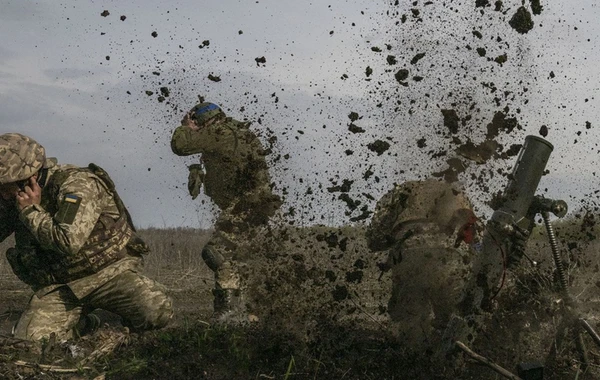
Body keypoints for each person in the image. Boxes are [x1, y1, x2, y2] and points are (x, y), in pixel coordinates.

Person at [0, 133, 173, 341]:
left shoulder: (77, 184)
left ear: (29, 179)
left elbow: (68, 241)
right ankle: (89, 323)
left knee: (157, 311)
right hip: (61, 287)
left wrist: (30, 212)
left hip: (108, 275)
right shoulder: (12, 197)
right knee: (31, 341)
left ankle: (108, 317)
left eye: (4, 187)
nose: (3, 193)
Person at [171, 101, 282, 321]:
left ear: (204, 120)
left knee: (217, 252)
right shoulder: (235, 132)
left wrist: (185, 128)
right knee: (239, 260)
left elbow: (180, 146)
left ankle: (230, 312)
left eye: (197, 123)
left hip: (249, 206)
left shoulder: (220, 132)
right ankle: (252, 313)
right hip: (253, 206)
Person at [366, 178, 481, 347]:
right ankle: (456, 360)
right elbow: (476, 242)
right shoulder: (457, 194)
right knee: (456, 321)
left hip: (411, 252)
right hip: (452, 256)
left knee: (411, 321)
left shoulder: (402, 191)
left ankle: (413, 361)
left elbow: (374, 238)